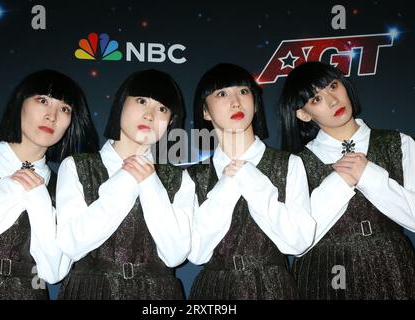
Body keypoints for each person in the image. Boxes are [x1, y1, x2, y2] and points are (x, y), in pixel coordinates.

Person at [279, 61, 415, 299]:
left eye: (333, 86)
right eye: (316, 99)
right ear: (303, 113)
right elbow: (296, 241)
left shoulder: (398, 143)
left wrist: (369, 176)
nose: (333, 100)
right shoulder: (294, 164)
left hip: (393, 268)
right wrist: (339, 183)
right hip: (323, 276)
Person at [55, 69, 194, 300]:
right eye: (141, 101)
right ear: (121, 104)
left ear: (171, 122)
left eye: (162, 109)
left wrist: (150, 185)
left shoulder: (178, 178)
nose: (150, 115)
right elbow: (71, 243)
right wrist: (127, 179)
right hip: (89, 291)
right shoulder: (77, 167)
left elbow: (175, 255)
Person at [0, 69, 99, 299]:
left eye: (65, 109)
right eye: (43, 100)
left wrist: (39, 201)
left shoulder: (63, 185)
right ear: (20, 103)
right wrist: (12, 191)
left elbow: (54, 271)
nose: (52, 116)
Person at [187, 63, 316, 299]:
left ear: (255, 103)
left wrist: (252, 181)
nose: (236, 102)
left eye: (244, 92)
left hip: (274, 288)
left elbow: (298, 242)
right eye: (222, 94)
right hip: (214, 291)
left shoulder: (287, 164)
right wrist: (226, 187)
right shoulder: (193, 177)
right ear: (205, 111)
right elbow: (197, 253)